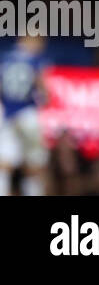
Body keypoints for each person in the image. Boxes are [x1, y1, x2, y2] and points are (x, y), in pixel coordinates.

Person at [0, 33, 49, 196]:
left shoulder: (5, 58)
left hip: (7, 114)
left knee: (4, 164)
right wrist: (44, 98)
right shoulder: (34, 60)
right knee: (34, 164)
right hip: (28, 115)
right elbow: (43, 92)